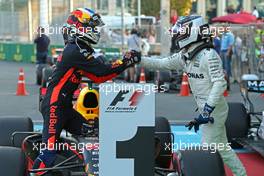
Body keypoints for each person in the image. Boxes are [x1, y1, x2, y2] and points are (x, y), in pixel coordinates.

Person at [32, 8, 140, 175]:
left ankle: (93, 165)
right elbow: (102, 71)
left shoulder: (78, 48)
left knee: (91, 133)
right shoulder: (75, 50)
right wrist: (125, 61)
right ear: (78, 27)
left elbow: (99, 77)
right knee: (48, 154)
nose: (95, 31)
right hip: (54, 107)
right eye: (91, 27)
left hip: (65, 108)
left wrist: (125, 62)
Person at [140, 16, 247, 176]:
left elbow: (220, 84)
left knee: (204, 153)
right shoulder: (186, 56)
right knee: (223, 149)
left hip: (214, 111)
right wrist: (136, 59)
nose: (178, 35)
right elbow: (161, 63)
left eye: (181, 32)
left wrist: (207, 111)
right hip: (208, 110)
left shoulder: (209, 55)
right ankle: (242, 174)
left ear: (193, 32)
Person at [220, 24, 234, 90]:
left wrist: (228, 52)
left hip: (226, 52)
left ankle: (228, 84)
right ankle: (223, 82)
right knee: (222, 67)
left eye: (224, 27)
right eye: (223, 27)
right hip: (222, 51)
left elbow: (231, 45)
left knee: (227, 67)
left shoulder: (230, 35)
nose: (223, 29)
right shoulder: (223, 35)